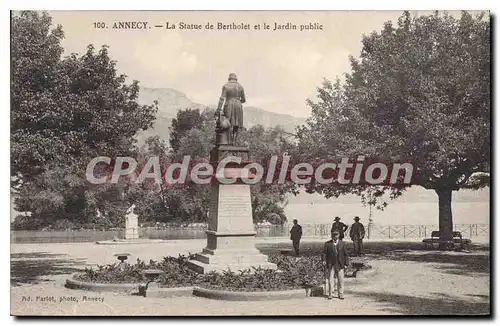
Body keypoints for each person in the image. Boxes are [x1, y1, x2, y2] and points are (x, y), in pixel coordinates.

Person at [216, 73, 246, 145]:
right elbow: (244, 100)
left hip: (228, 105)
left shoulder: (226, 86)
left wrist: (218, 109)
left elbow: (222, 98)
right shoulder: (240, 87)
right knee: (237, 125)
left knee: (227, 124)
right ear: (236, 79)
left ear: (229, 78)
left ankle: (228, 142)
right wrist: (238, 102)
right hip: (238, 106)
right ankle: (234, 142)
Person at [322, 230, 349, 300]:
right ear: (331, 236)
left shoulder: (342, 243)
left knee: (341, 279)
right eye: (333, 235)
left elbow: (346, 255)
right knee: (330, 279)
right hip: (331, 264)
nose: (335, 236)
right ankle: (331, 293)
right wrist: (324, 260)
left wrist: (346, 263)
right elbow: (324, 253)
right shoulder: (327, 244)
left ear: (339, 235)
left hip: (340, 264)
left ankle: (341, 293)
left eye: (336, 235)